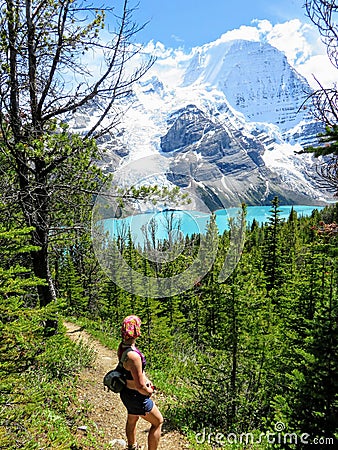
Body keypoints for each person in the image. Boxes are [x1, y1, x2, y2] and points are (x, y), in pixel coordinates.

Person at [117, 315, 163, 450]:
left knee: (132, 418)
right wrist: (149, 390)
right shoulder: (134, 356)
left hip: (127, 393)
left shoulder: (123, 347)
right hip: (137, 396)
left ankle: (132, 446)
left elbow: (135, 372)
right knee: (158, 421)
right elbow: (140, 386)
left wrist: (146, 379)